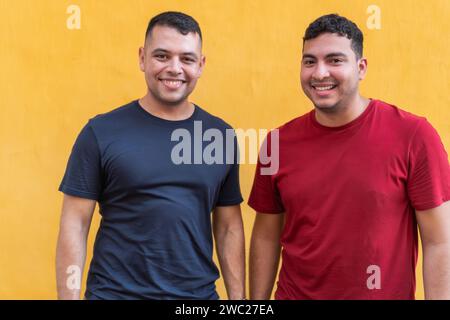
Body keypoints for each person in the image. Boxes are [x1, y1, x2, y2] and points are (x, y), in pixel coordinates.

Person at [248, 14, 450, 300]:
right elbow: (266, 236)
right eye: (309, 61)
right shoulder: (276, 144)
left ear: (361, 67)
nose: (319, 73)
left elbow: (440, 241)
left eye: (335, 60)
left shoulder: (414, 135)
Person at [56, 11, 245, 300]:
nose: (174, 68)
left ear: (201, 65)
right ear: (142, 58)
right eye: (162, 56)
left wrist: (238, 302)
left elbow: (229, 226)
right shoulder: (101, 132)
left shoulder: (220, 137)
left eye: (186, 58)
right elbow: (75, 223)